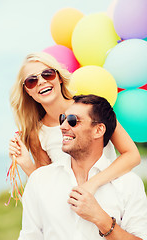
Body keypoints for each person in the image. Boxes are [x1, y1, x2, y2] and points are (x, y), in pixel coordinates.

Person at [9, 51, 140, 194]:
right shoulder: (37, 133)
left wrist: (93, 184)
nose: (41, 81)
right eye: (31, 81)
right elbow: (46, 186)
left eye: (47, 74)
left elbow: (132, 155)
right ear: (27, 91)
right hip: (73, 210)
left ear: (59, 77)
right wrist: (27, 165)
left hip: (112, 198)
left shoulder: (93, 106)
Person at [18, 94, 147, 240]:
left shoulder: (129, 184)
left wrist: (101, 219)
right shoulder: (39, 179)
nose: (62, 126)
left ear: (98, 130)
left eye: (73, 121)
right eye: (63, 119)